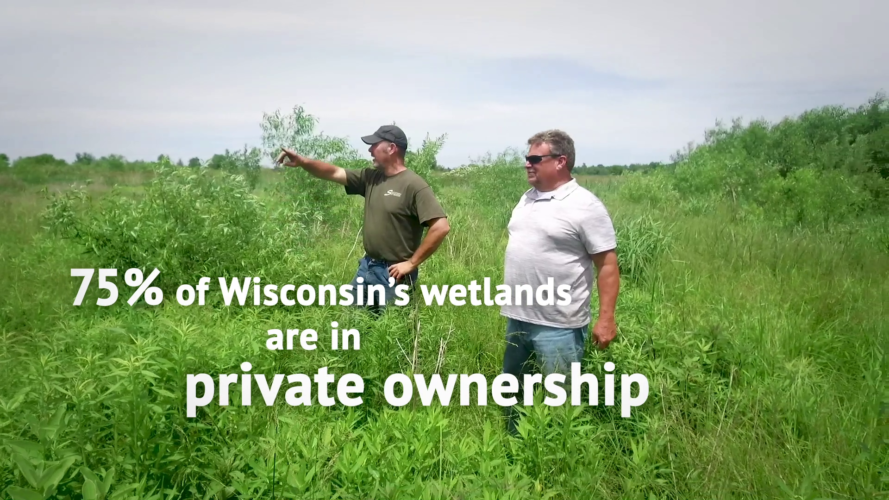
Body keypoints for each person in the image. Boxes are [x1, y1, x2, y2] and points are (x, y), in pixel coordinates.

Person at [499, 129, 620, 435]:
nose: (528, 164)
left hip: (559, 326)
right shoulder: (526, 199)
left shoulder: (585, 206)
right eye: (527, 158)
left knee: (561, 404)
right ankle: (515, 451)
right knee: (513, 395)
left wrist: (606, 319)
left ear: (561, 161)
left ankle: (558, 463)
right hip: (518, 319)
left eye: (535, 159)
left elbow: (607, 265)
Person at [275, 124, 450, 309]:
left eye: (375, 145)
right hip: (367, 266)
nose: (370, 149)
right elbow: (334, 172)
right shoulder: (371, 178)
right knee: (353, 322)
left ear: (391, 148)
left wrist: (411, 263)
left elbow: (441, 226)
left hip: (394, 275)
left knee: (391, 332)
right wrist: (303, 162)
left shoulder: (414, 185)